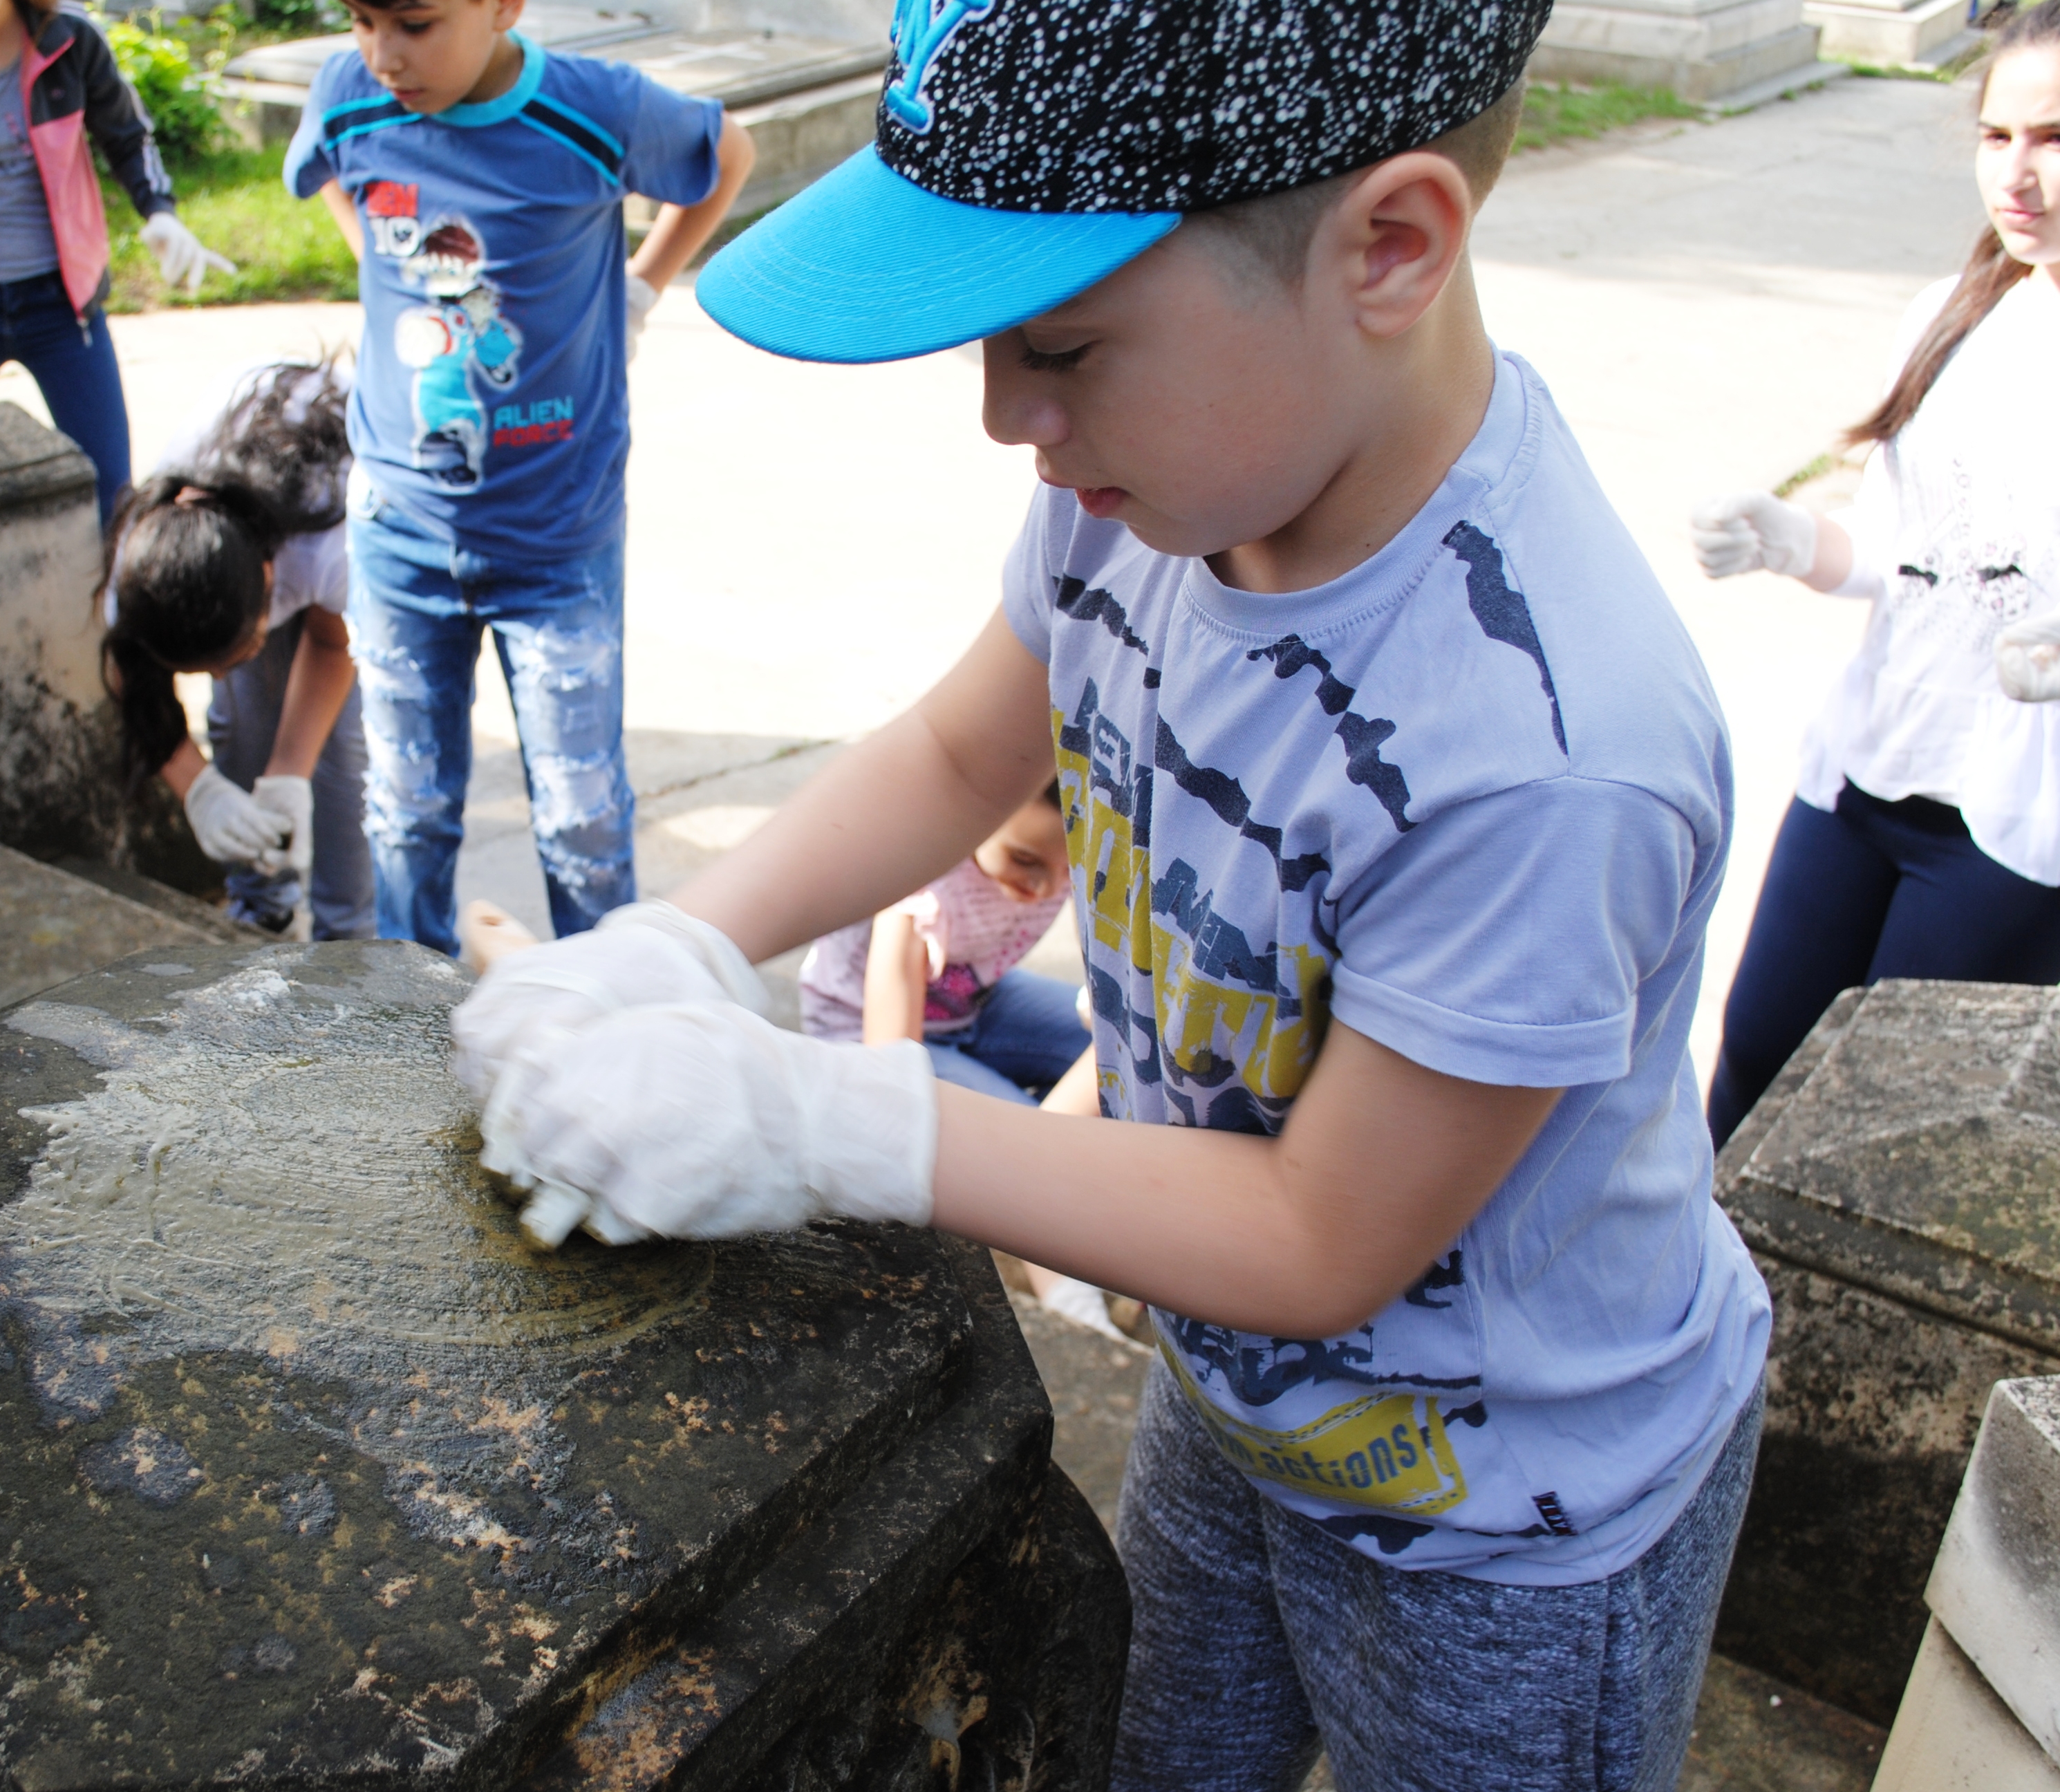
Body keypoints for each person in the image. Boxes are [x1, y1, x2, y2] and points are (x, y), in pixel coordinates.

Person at [449, 4, 1773, 1787]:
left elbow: (1323, 1235)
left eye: (1062, 343)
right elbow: (953, 753)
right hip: (1235, 1397)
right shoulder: (1143, 494)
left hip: (1509, 1522)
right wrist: (674, 942)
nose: (1009, 418)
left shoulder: (1545, 747)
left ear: (1389, 247)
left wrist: (822, 1116)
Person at [278, 0, 755, 956]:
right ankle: (417, 1023)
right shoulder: (349, 95)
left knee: (582, 822)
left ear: (504, 6)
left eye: (414, 23)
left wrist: (643, 287)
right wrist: (377, 257)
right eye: (361, 20)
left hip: (555, 541)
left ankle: (601, 1026)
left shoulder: (595, 109)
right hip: (401, 532)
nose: (384, 55)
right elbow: (327, 172)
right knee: (408, 810)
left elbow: (726, 157)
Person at [1689, 1, 2060, 1147]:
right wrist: (1790, 542)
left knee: (1873, 1140)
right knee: (1751, 1070)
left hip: (2013, 824)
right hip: (1862, 774)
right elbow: (1903, 564)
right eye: (1995, 137)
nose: (2017, 174)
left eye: (2051, 137)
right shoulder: (1954, 317)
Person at [0, 0, 230, 528]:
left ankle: (104, 612)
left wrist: (159, 211)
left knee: (112, 502)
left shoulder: (70, 41)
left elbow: (127, 136)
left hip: (61, 309)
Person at [102, 361, 372, 940]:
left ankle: (352, 937)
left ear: (272, 580)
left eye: (234, 652)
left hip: (330, 496)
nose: (222, 674)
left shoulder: (328, 548)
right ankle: (259, 915)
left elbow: (332, 644)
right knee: (242, 726)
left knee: (345, 760)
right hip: (238, 553)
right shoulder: (143, 558)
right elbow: (131, 673)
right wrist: (198, 789)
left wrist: (290, 775)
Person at [800, 780, 1088, 1105]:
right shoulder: (927, 888)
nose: (1045, 888)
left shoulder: (1065, 858)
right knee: (1031, 1138)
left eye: (1069, 869)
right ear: (978, 824)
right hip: (865, 1027)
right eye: (1023, 859)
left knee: (1126, 1056)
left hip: (973, 1004)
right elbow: (890, 1066)